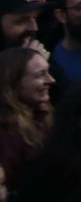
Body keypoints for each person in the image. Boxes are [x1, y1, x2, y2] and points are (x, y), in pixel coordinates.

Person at [0, 48, 52, 187]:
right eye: (40, 75)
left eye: (48, 72)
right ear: (14, 81)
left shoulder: (43, 117)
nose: (51, 80)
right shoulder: (6, 135)